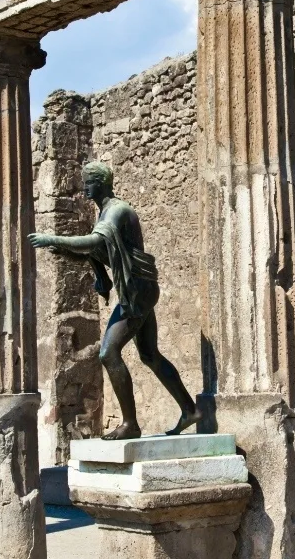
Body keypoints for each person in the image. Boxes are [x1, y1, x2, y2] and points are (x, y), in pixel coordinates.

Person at [28, 161, 202, 440]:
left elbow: (94, 243)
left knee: (108, 353)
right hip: (137, 290)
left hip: (137, 291)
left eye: (89, 182)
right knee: (149, 355)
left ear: (103, 183)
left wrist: (53, 238)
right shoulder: (105, 214)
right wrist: (62, 250)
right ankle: (190, 410)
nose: (85, 187)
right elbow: (97, 252)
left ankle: (130, 424)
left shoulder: (117, 211)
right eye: (84, 181)